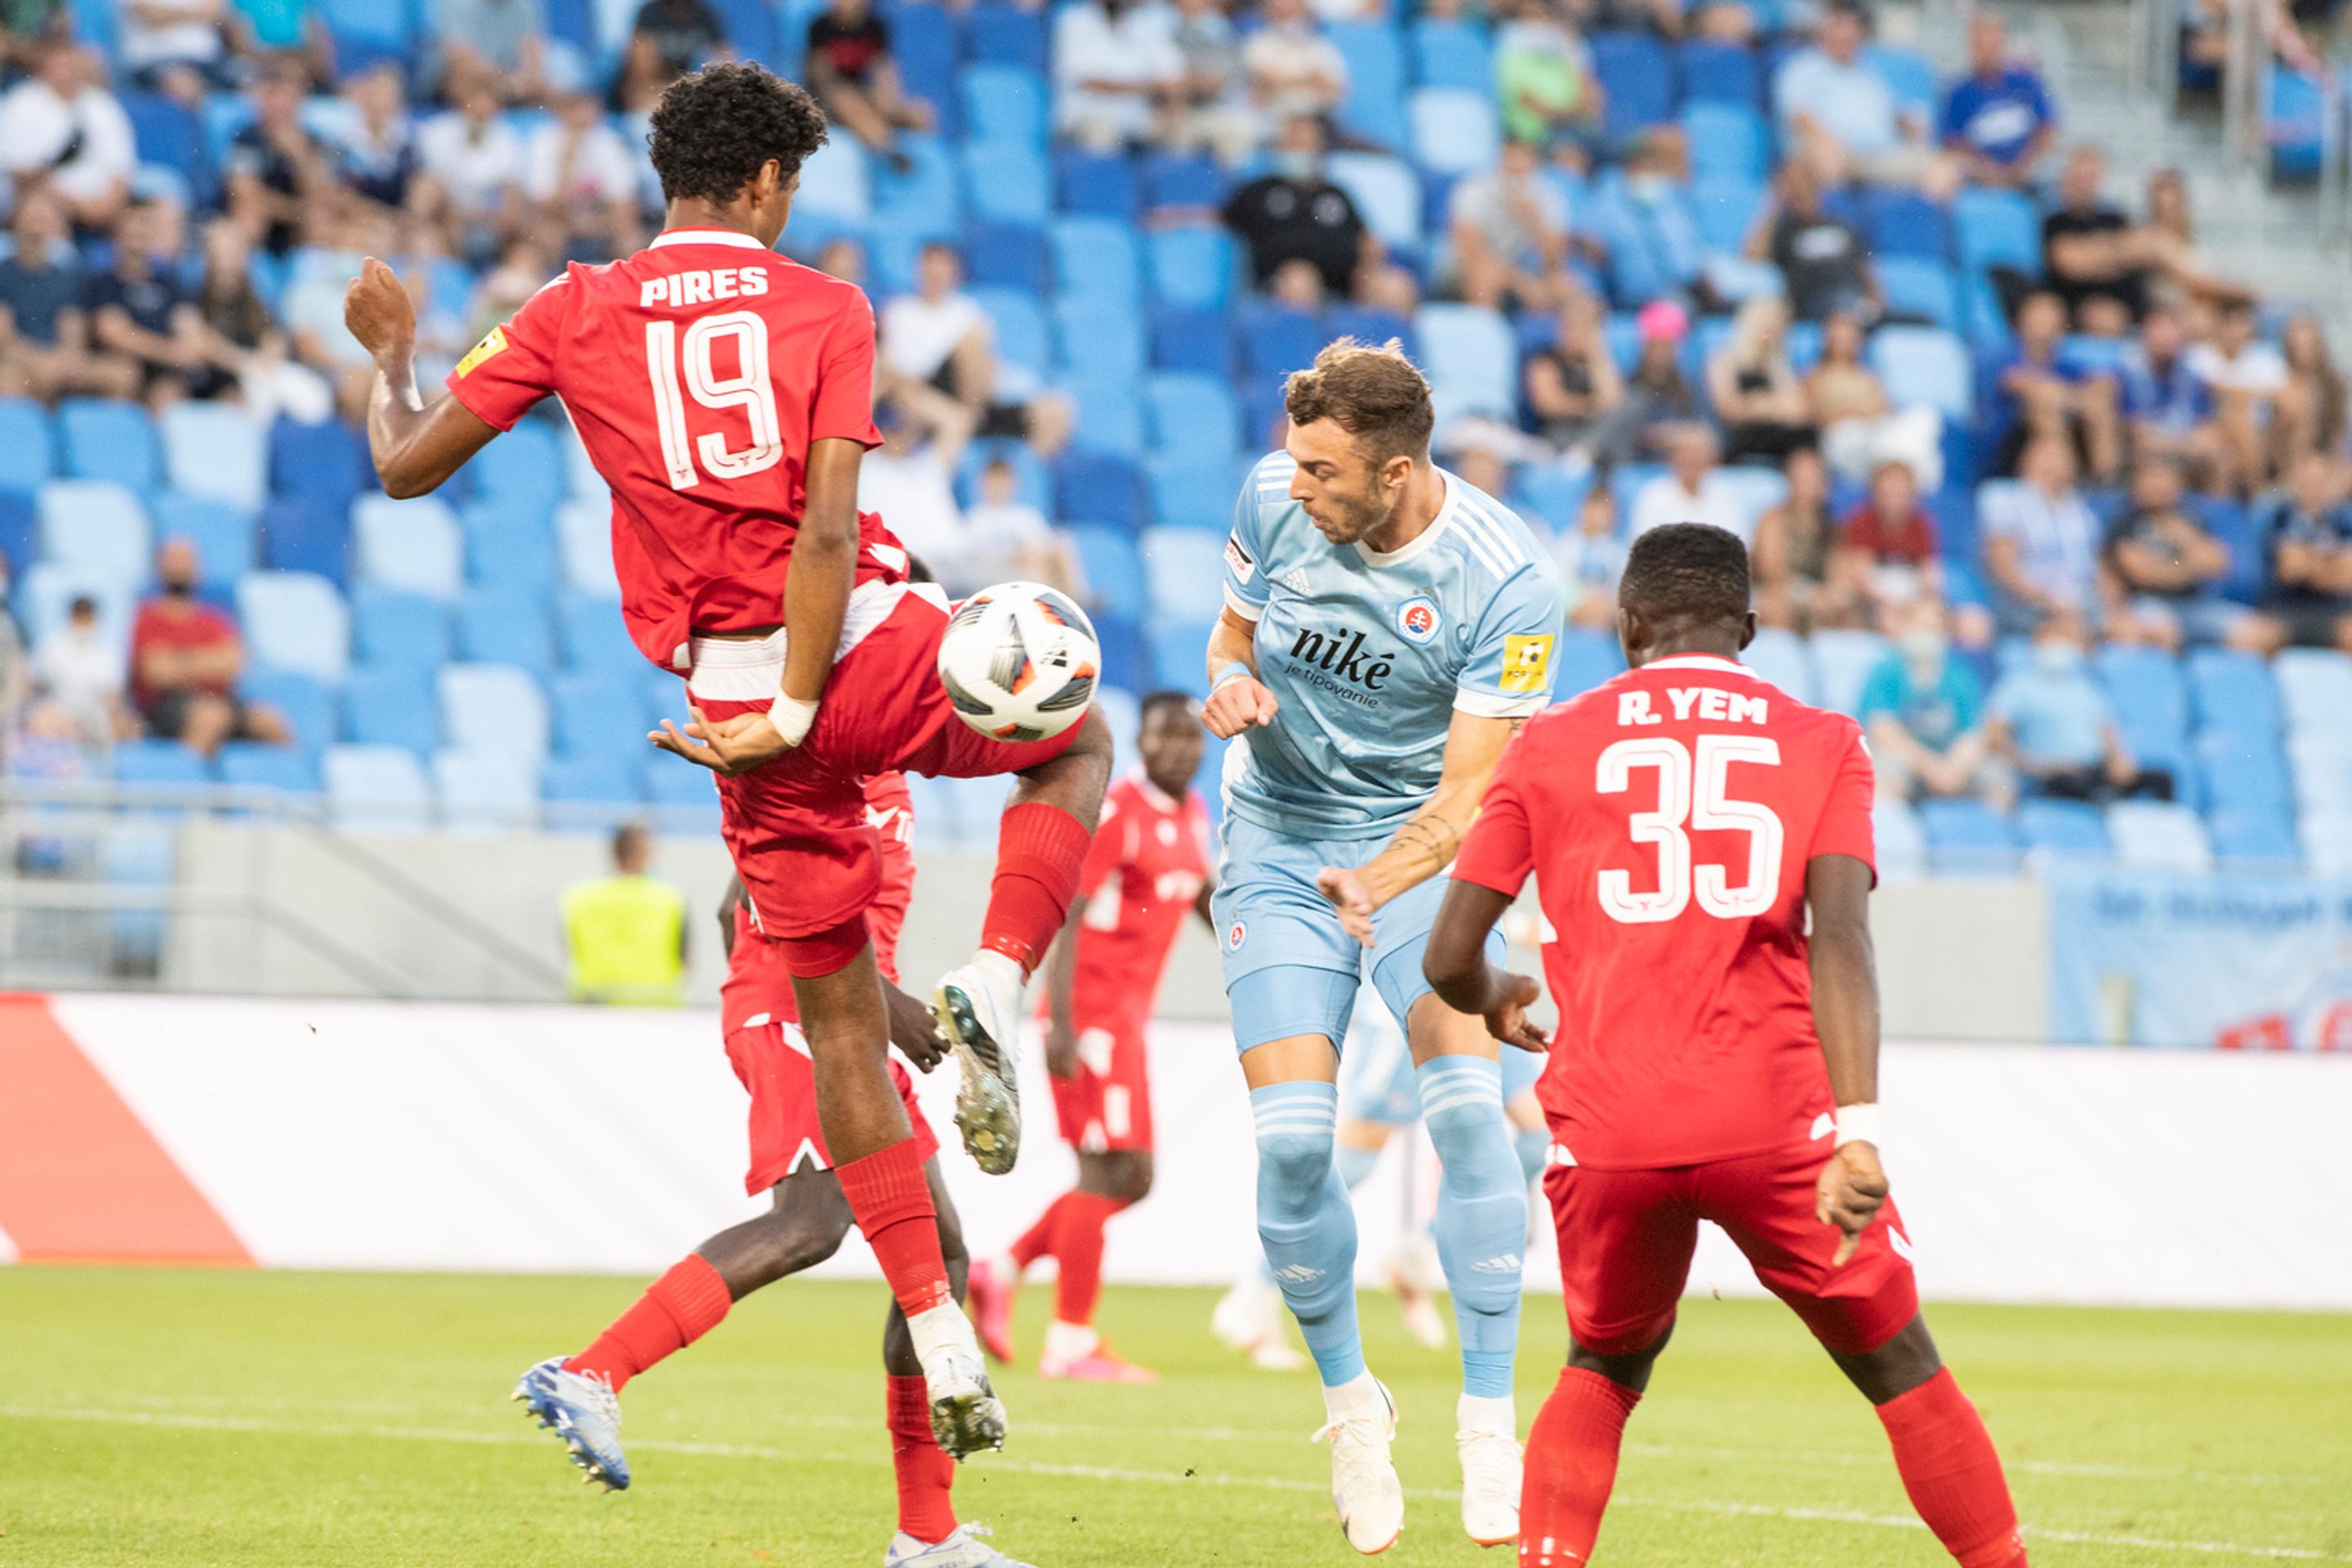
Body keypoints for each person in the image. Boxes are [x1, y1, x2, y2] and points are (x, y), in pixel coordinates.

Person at [342, 62, 1113, 1481]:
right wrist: (814, 697)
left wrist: (390, 362)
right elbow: (828, 536)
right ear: (767, 185)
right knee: (1070, 729)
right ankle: (1001, 967)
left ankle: (940, 1329)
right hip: (852, 655)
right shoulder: (825, 304)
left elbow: (403, 471)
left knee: (841, 1043)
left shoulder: (570, 310)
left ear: (670, 179)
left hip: (724, 704)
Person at [1423, 521, 2034, 1568]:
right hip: (1773, 1121)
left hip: (1609, 1126)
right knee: (1901, 1370)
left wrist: (1498, 994)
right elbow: (1840, 938)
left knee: (1602, 1367)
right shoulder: (1824, 739)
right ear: (1749, 629)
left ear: (1626, 630)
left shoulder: (1550, 742)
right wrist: (1860, 1133)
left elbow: (1446, 959)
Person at [1202, 339, 1561, 1551]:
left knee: (1469, 1117)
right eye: (1295, 464)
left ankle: (1487, 1422)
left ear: (1397, 471)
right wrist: (1229, 690)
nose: (1295, 488)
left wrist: (1384, 875)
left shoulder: (1506, 581)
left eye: (1322, 472)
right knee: (1297, 1148)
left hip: (1416, 854)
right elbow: (1230, 642)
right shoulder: (1271, 495)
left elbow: (1466, 801)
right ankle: (1354, 1408)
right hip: (1278, 841)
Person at [527, 774, 1046, 1568]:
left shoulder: (885, 763)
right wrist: (884, 1001)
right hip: (805, 1013)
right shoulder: (820, 751)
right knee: (811, 1222)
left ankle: (928, 1535)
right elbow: (763, 904)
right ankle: (593, 1370)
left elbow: (730, 900)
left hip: (850, 1024)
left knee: (939, 1255)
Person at [976, 692, 1214, 1383]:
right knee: (1105, 1169)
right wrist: (1061, 1022)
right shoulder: (1120, 814)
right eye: (1165, 736)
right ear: (1140, 743)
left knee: (1133, 1176)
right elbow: (1071, 915)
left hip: (1127, 1022)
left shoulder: (1193, 818)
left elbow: (1203, 895)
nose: (1180, 749)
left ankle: (1006, 1266)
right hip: (1090, 1018)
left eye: (1190, 738)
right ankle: (1071, 1340)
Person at [129, 538, 292, 757]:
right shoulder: (147, 617)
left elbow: (234, 663)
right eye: (174, 560)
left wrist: (180, 662)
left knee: (271, 722)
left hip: (221, 701)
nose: (181, 567)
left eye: (187, 560)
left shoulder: (214, 619)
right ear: (159, 567)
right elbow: (156, 672)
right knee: (210, 717)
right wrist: (210, 663)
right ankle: (186, 780)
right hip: (166, 707)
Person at [1773, 2, 1954, 198]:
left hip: (1876, 157)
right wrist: (1838, 148)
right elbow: (1802, 118)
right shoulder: (1803, 68)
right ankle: (1835, 224)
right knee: (1825, 156)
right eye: (1840, 27)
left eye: (1853, 28)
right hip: (1831, 153)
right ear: (1825, 31)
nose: (1847, 35)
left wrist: (1905, 123)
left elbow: (1890, 117)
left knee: (1944, 168)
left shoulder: (1869, 77)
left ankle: (1913, 219)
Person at [1986, 609, 2169, 801]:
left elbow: (2107, 730)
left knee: (2162, 779)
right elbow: (1996, 737)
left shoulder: (2087, 686)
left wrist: (2120, 760)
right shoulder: (2018, 685)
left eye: (2067, 637)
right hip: (2051, 772)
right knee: (2075, 785)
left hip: (2092, 768)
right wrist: (2035, 765)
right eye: (2055, 636)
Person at [1859, 596, 2007, 806]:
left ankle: (1988, 835)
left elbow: (1974, 732)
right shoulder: (1886, 670)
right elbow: (1883, 731)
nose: (1926, 634)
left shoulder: (1959, 675)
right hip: (1906, 760)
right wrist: (1931, 768)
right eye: (1920, 625)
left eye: (1933, 628)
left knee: (1997, 777)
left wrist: (1954, 768)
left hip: (1950, 764)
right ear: (1905, 626)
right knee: (1886, 774)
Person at [2103, 455, 2256, 650]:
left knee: (2257, 634)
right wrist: (2191, 568)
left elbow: (2219, 563)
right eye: (2151, 479)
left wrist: (2179, 536)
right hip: (2146, 603)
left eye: (2164, 479)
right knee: (2164, 632)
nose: (2157, 486)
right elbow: (2144, 574)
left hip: (2194, 603)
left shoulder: (2190, 520)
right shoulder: (2124, 523)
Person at [0, 192, 133, 402]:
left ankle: (104, 433)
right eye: (32, 219)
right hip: (17, 361)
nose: (37, 228)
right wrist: (40, 360)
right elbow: (5, 339)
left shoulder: (66, 276)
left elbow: (71, 326)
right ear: (16, 223)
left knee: (122, 374)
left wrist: (68, 359)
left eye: (44, 220)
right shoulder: (4, 273)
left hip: (57, 360)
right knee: (13, 382)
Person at [1223, 115, 1371, 297]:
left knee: (1394, 287)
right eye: (1294, 143)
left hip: (1343, 283)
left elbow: (1365, 239)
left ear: (1320, 149)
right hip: (1283, 282)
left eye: (1306, 144)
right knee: (1300, 281)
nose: (1300, 151)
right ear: (1279, 146)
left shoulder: (1337, 194)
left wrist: (1369, 266)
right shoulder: (1257, 191)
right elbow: (1218, 219)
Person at [1980, 434, 2109, 635]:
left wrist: (2112, 606)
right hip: (2026, 605)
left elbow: (2100, 568)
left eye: (2063, 455)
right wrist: (2049, 601)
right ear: (2027, 458)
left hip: (2080, 605)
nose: (2056, 462)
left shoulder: (2081, 511)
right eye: (2047, 454)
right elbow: (2003, 566)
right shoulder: (2004, 497)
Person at [0, 44, 135, 232]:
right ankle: (58, 261)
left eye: (72, 66)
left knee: (142, 219)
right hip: (43, 201)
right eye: (60, 66)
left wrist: (99, 209)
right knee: (40, 212)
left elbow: (121, 175)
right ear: (44, 68)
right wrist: (74, 204)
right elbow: (18, 174)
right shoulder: (21, 103)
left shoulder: (103, 105)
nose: (66, 73)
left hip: (99, 208)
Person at [559, 822, 689, 1005]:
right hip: (657, 1010)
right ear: (645, 854)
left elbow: (571, 950)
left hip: (594, 1008)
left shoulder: (578, 898)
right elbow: (685, 958)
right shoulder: (670, 899)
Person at [1444, 137, 1575, 314]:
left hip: (1523, 270)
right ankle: (1486, 338)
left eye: (1522, 159)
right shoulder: (1474, 191)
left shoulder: (1548, 196)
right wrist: (1522, 284)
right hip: (1464, 272)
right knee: (1485, 280)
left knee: (1568, 288)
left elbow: (1555, 263)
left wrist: (1533, 220)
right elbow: (1474, 257)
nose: (1515, 166)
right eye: (1510, 158)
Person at [807, 0, 933, 171]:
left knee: (921, 113)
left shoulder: (875, 25)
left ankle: (931, 167)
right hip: (830, 97)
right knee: (846, 101)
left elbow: (883, 68)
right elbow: (821, 78)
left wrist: (888, 99)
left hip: (863, 91)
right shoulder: (820, 26)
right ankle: (890, 150)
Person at [1938, 12, 2057, 188]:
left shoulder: (2027, 82)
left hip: (2028, 172)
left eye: (1992, 44)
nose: (1987, 52)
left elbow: (2047, 130)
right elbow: (1953, 143)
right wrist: (1987, 171)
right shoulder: (1958, 94)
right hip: (1978, 176)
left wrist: (2025, 164)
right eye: (1981, 45)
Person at [2042, 145, 2150, 335]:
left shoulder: (2115, 218)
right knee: (2103, 318)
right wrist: (2119, 254)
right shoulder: (2054, 221)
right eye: (2078, 177)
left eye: (2089, 177)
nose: (2084, 184)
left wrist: (2096, 254)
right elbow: (2070, 263)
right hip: (2077, 310)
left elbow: (2143, 250)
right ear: (2065, 178)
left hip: (2128, 306)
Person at [1752, 160, 1875, 325]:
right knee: (1843, 314)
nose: (1800, 191)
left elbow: (1865, 271)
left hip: (1851, 300)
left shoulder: (1842, 226)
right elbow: (1752, 256)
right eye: (1793, 185)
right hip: (1813, 304)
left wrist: (1876, 302)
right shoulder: (1785, 232)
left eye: (1805, 182)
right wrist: (1773, 208)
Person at [225, 61, 327, 257]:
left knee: (321, 220)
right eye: (273, 95)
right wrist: (296, 211)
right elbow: (244, 192)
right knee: (249, 214)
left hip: (300, 223)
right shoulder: (246, 139)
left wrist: (299, 158)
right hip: (269, 220)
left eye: (286, 96)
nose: (279, 104)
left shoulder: (314, 141)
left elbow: (323, 196)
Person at [1052, 0, 1181, 153]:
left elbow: (1170, 75)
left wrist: (1172, 100)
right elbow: (1089, 82)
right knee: (1103, 136)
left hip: (1137, 118)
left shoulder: (1142, 22)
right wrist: (1147, 88)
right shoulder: (1076, 20)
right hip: (1088, 115)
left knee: (1181, 132)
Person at [2257, 451, 2352, 653]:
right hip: (2285, 609)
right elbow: (2290, 570)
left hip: (2333, 611)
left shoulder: (2343, 521)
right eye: (2308, 482)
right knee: (2261, 638)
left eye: (2320, 482)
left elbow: (2346, 576)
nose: (2314, 489)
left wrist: (2307, 560)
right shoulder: (2280, 516)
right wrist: (2329, 562)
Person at [2189, 301, 2291, 491]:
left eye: (2241, 325)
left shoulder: (2264, 358)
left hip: (2262, 432)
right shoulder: (2199, 355)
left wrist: (2233, 392)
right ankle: (2256, 489)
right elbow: (2200, 388)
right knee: (2234, 413)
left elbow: (2284, 396)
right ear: (2218, 327)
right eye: (2229, 324)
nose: (2234, 332)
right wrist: (2245, 394)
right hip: (2210, 426)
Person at [2119, 306, 2224, 489]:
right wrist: (2183, 444)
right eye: (2159, 336)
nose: (2166, 342)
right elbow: (2138, 432)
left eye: (2171, 337)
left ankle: (2217, 511)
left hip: (2178, 444)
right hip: (2145, 450)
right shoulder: (2129, 374)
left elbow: (2206, 428)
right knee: (2148, 450)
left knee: (2216, 455)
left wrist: (2187, 444)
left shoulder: (2191, 376)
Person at [1753, 445, 1855, 630]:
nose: (1808, 485)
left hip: (1819, 597)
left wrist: (1834, 594)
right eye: (1801, 479)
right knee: (1778, 611)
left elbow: (1840, 570)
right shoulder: (1772, 520)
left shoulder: (1832, 527)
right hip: (1779, 593)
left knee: (1846, 610)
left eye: (1814, 479)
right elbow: (1772, 572)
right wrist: (1808, 594)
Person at [1706, 296, 1814, 466]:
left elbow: (1800, 411)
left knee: (1807, 436)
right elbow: (1730, 409)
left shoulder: (1779, 366)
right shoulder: (1723, 361)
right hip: (1741, 440)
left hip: (1780, 442)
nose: (1773, 334)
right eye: (1768, 328)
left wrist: (1755, 403)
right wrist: (1776, 406)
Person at [1836, 456, 1944, 624]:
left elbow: (1930, 575)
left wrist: (1921, 602)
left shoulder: (1921, 525)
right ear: (1875, 493)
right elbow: (1861, 577)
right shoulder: (1863, 521)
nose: (1893, 500)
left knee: (1932, 617)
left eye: (1900, 493)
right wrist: (1891, 604)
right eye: (1888, 493)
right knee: (1888, 620)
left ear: (1912, 496)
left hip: (1910, 598)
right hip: (1875, 600)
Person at [1522, 291, 1620, 457]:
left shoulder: (1597, 364)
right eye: (1567, 326)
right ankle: (1582, 455)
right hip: (1557, 437)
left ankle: (1585, 454)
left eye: (1580, 326)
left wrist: (1596, 355)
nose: (1570, 333)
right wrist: (1589, 407)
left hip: (1595, 437)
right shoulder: (1545, 360)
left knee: (1625, 413)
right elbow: (1549, 404)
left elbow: (1613, 403)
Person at [29, 593, 136, 746]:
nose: (83, 624)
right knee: (40, 721)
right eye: (79, 618)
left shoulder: (105, 654)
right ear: (71, 618)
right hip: (57, 710)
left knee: (122, 726)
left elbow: (113, 696)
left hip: (93, 715)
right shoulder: (52, 648)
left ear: (95, 620)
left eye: (87, 619)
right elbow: (35, 686)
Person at [1628, 424, 1750, 544]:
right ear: (1673, 458)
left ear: (1712, 459)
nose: (1692, 461)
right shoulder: (1654, 494)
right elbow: (1645, 543)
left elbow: (1740, 541)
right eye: (1687, 455)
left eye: (1698, 455)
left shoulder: (1727, 493)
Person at [617, 0, 727, 113]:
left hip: (685, 84)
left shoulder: (706, 14)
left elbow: (724, 59)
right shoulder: (649, 13)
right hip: (654, 85)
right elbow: (639, 67)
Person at [1553, 483, 1628, 630]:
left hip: (1609, 614)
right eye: (1594, 509)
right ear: (1581, 510)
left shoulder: (1618, 551)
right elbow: (1559, 587)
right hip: (1574, 613)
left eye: (1606, 512)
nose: (1599, 517)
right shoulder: (1566, 545)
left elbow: (1624, 590)